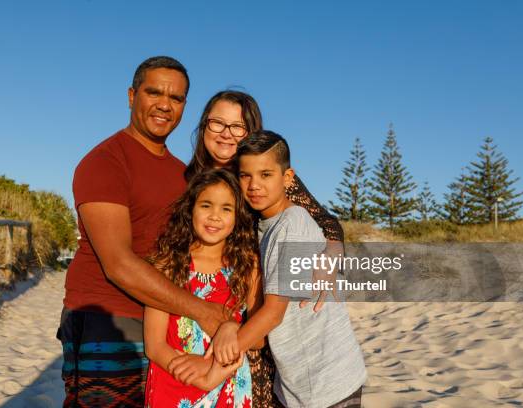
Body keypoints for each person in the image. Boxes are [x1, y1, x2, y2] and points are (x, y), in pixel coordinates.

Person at [57, 56, 228, 408]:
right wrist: (203, 311)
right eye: (154, 92)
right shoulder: (106, 162)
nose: (165, 104)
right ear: (132, 95)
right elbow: (118, 264)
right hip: (108, 320)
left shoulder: (184, 174)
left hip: (164, 325)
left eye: (176, 98)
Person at [182, 90, 346, 407]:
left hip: (257, 313)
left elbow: (328, 224)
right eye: (217, 123)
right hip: (201, 310)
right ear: (203, 127)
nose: (226, 134)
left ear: (251, 132)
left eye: (238, 126)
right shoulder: (189, 181)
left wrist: (332, 259)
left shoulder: (261, 179)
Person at [211, 130, 367, 408]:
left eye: (266, 175)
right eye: (246, 176)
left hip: (328, 384)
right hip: (297, 383)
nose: (254, 185)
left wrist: (212, 366)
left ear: (287, 178)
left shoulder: (291, 225)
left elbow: (272, 313)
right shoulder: (265, 227)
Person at [144, 168, 262, 407]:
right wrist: (204, 378)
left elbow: (258, 339)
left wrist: (232, 327)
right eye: (206, 205)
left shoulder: (247, 265)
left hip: (228, 382)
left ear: (238, 216)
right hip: (175, 382)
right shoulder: (168, 264)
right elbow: (154, 345)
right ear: (190, 210)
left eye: (226, 208)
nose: (215, 216)